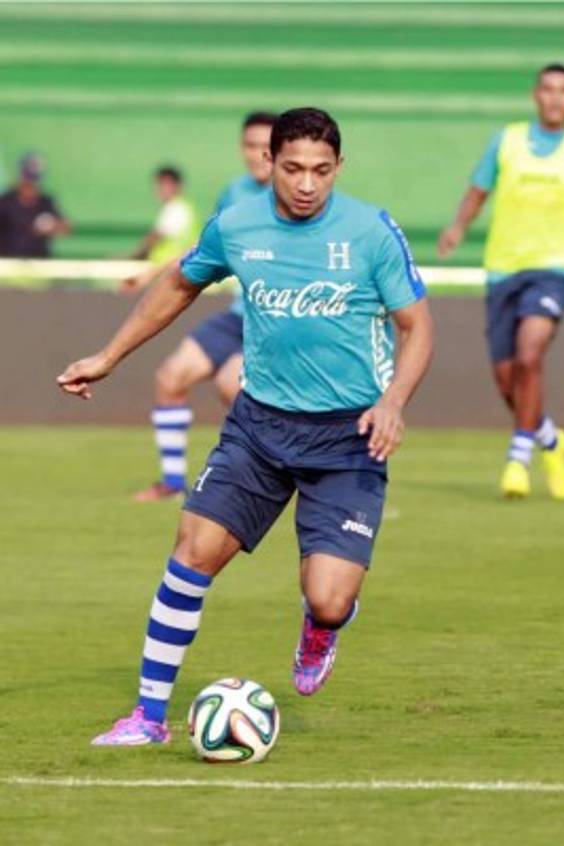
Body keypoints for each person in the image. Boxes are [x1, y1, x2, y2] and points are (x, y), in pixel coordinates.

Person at [58, 107, 435, 746]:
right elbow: (178, 284)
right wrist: (108, 356)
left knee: (330, 598)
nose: (307, 183)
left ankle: (321, 626)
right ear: (270, 163)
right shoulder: (236, 224)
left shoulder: (370, 231)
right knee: (191, 553)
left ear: (339, 167)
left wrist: (394, 400)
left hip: (349, 438)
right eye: (293, 168)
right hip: (259, 429)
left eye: (321, 170)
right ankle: (148, 717)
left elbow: (417, 326)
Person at [437, 62, 564, 500]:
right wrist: (458, 226)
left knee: (530, 352)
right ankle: (550, 439)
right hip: (505, 266)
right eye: (548, 89)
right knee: (507, 379)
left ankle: (518, 459)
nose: (555, 98)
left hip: (557, 267)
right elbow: (479, 189)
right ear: (536, 95)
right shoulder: (507, 141)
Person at [123, 112, 278, 501]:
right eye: (250, 145)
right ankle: (173, 483)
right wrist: (150, 274)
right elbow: (205, 248)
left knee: (231, 384)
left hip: (274, 323)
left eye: (266, 145)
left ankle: (280, 476)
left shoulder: (296, 197)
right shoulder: (235, 192)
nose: (257, 154)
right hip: (239, 316)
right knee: (171, 377)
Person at [0, 152, 72, 257]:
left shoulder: (45, 201)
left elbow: (66, 227)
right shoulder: (6, 201)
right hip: (9, 261)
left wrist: (51, 226)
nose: (30, 183)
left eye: (34, 179)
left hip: (39, 261)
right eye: (27, 177)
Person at [131, 166, 200, 266]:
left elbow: (153, 239)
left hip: (170, 267)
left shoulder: (177, 208)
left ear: (178, 186)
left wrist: (132, 256)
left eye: (167, 184)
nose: (162, 189)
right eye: (160, 184)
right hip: (172, 266)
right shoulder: (181, 207)